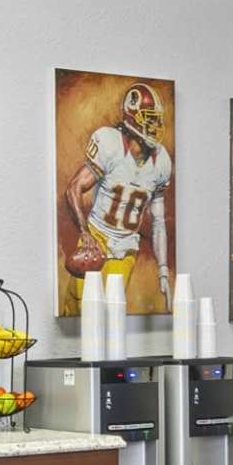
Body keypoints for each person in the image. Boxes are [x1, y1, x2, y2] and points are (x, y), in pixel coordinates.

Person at [68, 82, 171, 304]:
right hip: (97, 240)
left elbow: (158, 223)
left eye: (157, 120)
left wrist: (162, 269)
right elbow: (74, 188)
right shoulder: (110, 143)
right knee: (79, 308)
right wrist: (84, 232)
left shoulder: (161, 160)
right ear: (133, 116)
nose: (155, 126)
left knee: (111, 315)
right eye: (149, 118)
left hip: (126, 248)